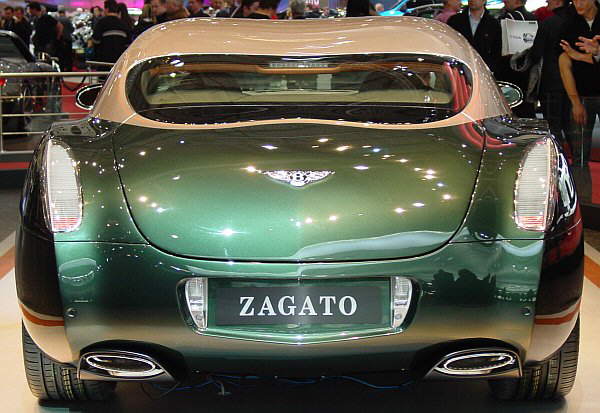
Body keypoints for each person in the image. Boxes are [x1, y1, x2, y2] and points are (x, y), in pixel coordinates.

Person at [558, 0, 600, 166]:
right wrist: (575, 102)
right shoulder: (568, 25)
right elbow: (564, 62)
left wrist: (582, 56)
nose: (578, 3)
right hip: (582, 95)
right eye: (574, 0)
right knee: (579, 156)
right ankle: (581, 184)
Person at [528, 0, 571, 147]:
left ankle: (558, 155)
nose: (547, 2)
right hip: (574, 82)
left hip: (551, 82)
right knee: (571, 124)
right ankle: (578, 157)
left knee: (553, 125)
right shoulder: (577, 22)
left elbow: (536, 54)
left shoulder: (548, 23)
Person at [447, 0, 502, 74]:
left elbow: (496, 53)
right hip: (458, 69)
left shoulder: (493, 24)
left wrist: (490, 70)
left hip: (483, 71)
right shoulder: (454, 21)